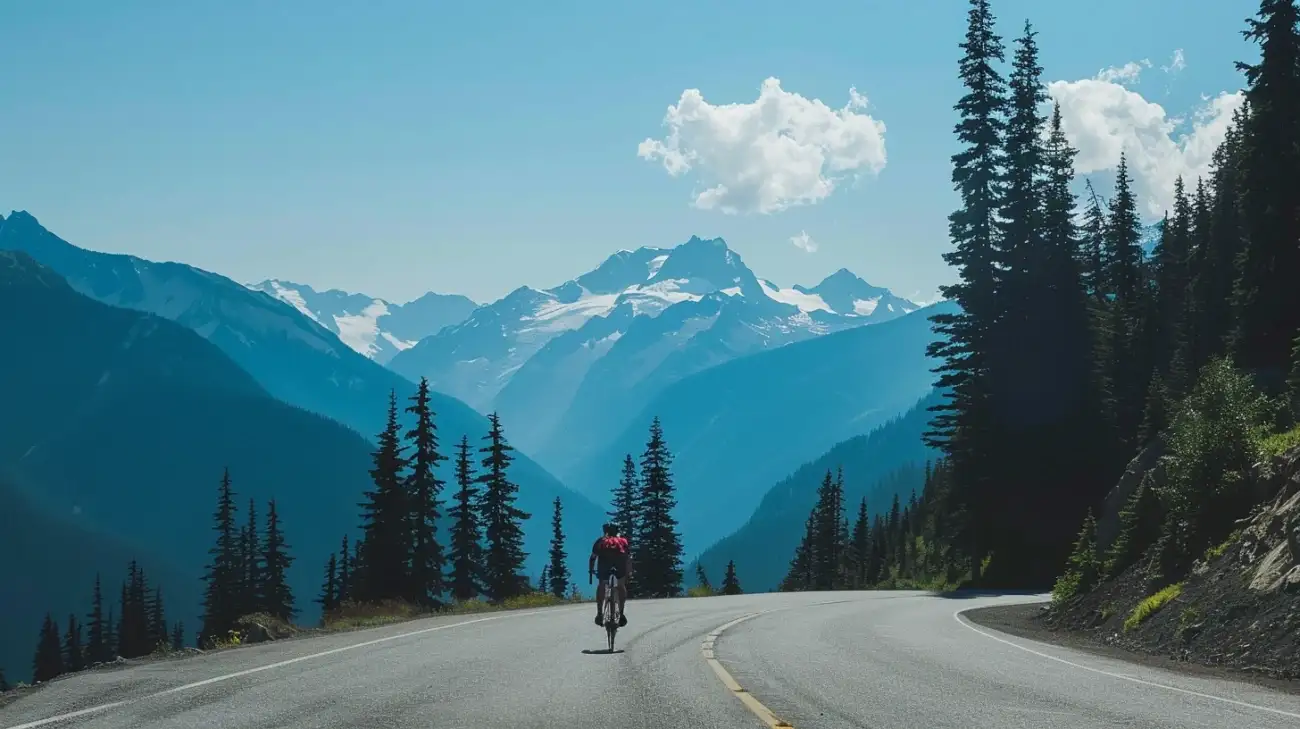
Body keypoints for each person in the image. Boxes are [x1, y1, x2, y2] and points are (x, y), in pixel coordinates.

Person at [589, 522, 631, 627]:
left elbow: (593, 558)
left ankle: (599, 614)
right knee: (621, 585)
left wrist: (591, 571)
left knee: (602, 584)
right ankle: (621, 613)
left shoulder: (600, 541)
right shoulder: (622, 541)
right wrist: (628, 572)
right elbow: (628, 559)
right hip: (620, 565)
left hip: (604, 566)